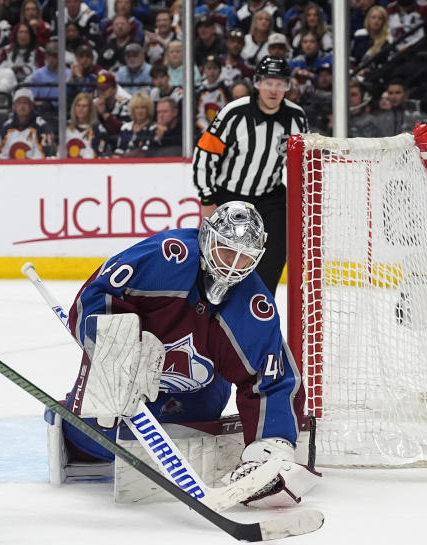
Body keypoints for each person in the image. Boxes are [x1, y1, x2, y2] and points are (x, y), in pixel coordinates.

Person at [56, 201, 318, 508]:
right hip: (125, 384)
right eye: (226, 250)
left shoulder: (253, 306)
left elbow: (272, 378)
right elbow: (96, 297)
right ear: (207, 238)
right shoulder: (166, 256)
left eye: (244, 257)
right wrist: (118, 356)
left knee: (186, 445)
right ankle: (72, 421)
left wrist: (271, 449)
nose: (232, 265)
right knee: (91, 439)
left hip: (195, 395)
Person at [193, 56, 307, 297]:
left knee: (272, 260)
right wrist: (207, 199)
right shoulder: (235, 113)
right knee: (217, 262)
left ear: (288, 87)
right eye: (268, 83)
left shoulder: (296, 118)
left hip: (270, 197)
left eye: (280, 84)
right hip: (228, 196)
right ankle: (210, 314)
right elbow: (205, 153)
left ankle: (259, 318)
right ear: (257, 83)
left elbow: (303, 164)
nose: (273, 90)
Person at [0, 87, 52, 159]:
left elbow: (47, 152)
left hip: (37, 167)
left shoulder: (42, 126)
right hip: (10, 168)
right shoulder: (6, 126)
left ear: (32, 106)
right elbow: (1, 153)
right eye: (19, 103)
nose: (22, 106)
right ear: (14, 106)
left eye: (26, 103)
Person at [194, 54, 231, 133]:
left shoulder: (225, 90)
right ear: (204, 70)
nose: (212, 72)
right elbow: (200, 116)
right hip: (205, 131)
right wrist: (207, 130)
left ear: (220, 70)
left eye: (215, 68)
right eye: (209, 68)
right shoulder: (200, 92)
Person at [65, 90, 106, 158]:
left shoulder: (97, 128)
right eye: (78, 105)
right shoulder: (66, 126)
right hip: (68, 166)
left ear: (90, 109)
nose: (80, 108)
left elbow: (100, 152)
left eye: (84, 106)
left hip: (91, 166)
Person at [113, 91, 154, 156]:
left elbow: (147, 152)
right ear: (132, 109)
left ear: (148, 109)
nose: (140, 111)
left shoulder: (153, 128)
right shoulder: (125, 127)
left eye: (143, 107)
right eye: (137, 108)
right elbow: (119, 150)